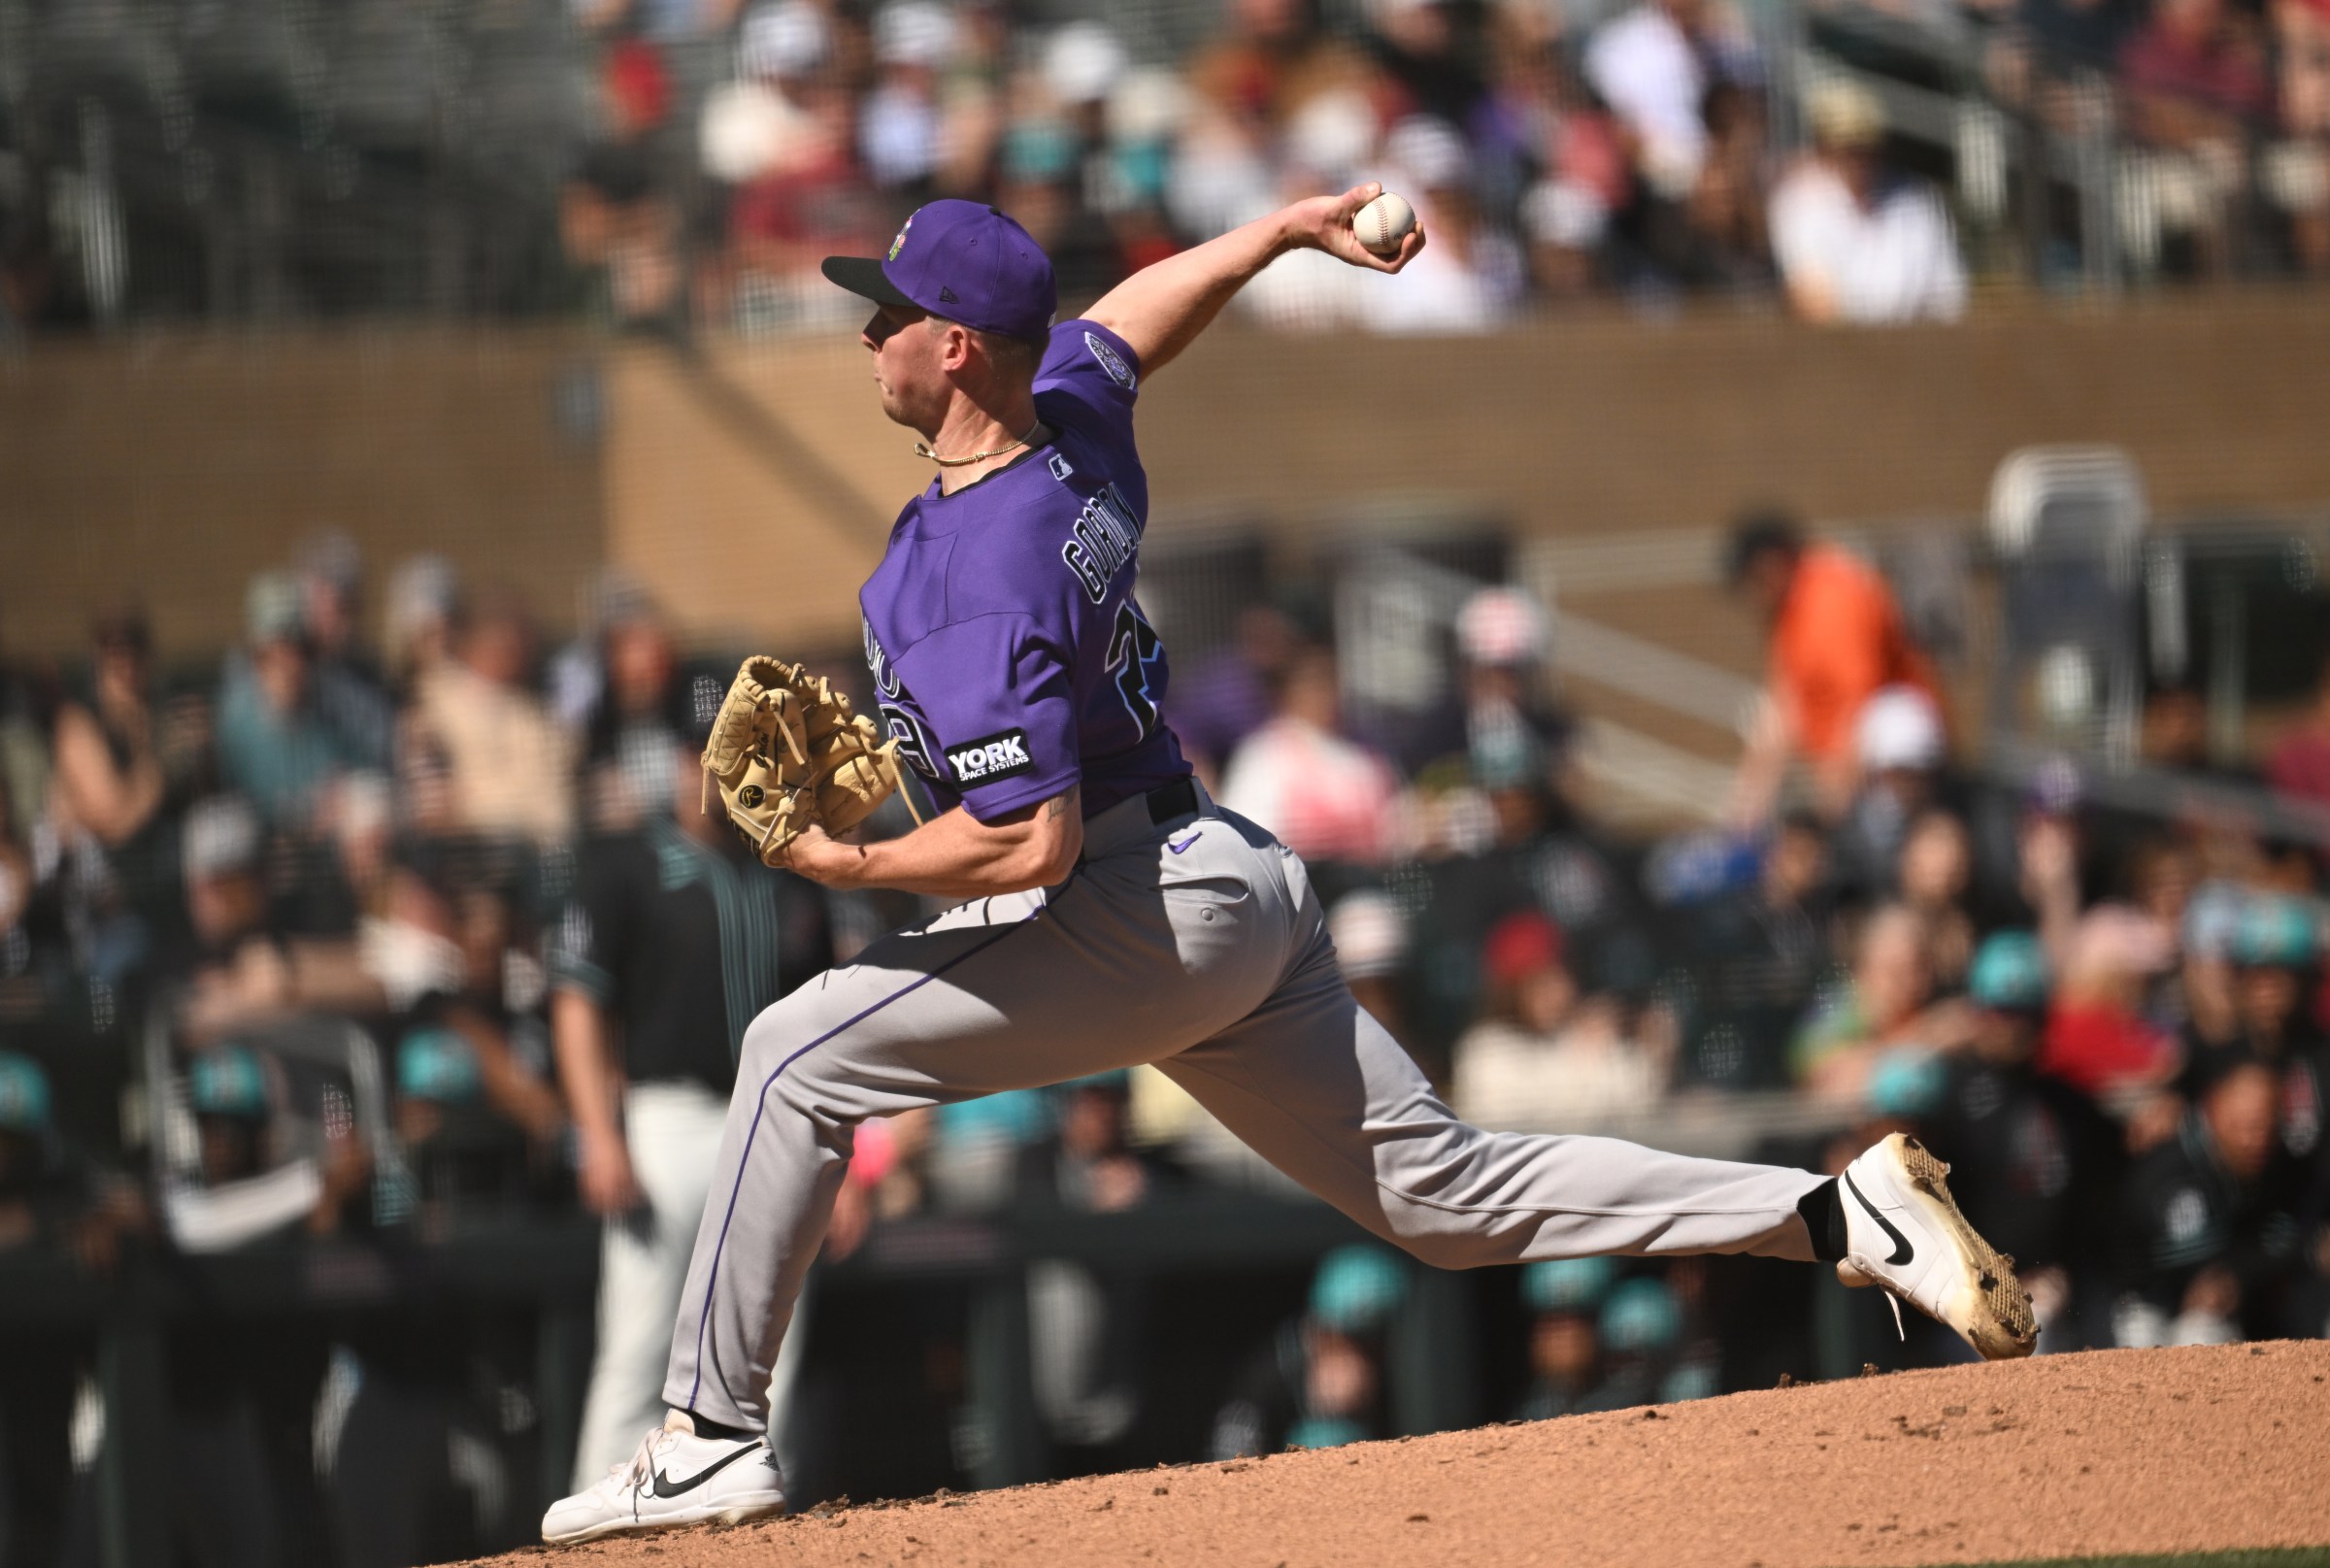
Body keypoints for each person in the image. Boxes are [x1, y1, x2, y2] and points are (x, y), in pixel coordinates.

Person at [541, 189, 2035, 1546]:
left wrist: (845, 855)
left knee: (795, 1049)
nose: (865, 330)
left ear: (954, 347)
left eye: (888, 311)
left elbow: (1029, 840)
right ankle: (1843, 1212)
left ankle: (711, 1432)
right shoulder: (1062, 413)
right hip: (1229, 879)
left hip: (1126, 903)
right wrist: (1272, 234)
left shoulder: (975, 571)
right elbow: (1128, 320)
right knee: (1446, 1197)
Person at [551, 739, 832, 1485]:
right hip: (664, 1120)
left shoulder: (789, 868)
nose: (716, 771)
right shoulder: (627, 866)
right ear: (674, 762)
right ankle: (597, 1532)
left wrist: (850, 1158)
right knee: (640, 1344)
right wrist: (598, 1133)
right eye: (701, 753)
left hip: (775, 1120)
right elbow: (578, 1003)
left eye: (735, 753)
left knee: (774, 1346)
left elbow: (837, 1018)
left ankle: (764, 1531)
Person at [1723, 512, 1942, 823]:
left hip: (1892, 763)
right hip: (1845, 769)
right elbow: (1781, 710)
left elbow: (1859, 703)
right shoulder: (1791, 608)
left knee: (1889, 724)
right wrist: (1744, 812)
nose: (1752, 598)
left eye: (1752, 582)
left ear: (1770, 565)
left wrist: (1833, 803)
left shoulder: (1830, 596)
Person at [1767, 81, 1967, 324]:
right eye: (1845, 144)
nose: (1857, 157)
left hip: (1918, 350)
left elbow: (1949, 298)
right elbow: (1816, 302)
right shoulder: (1798, 202)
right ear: (1824, 145)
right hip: (1836, 354)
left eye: (1865, 143)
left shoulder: (1918, 200)